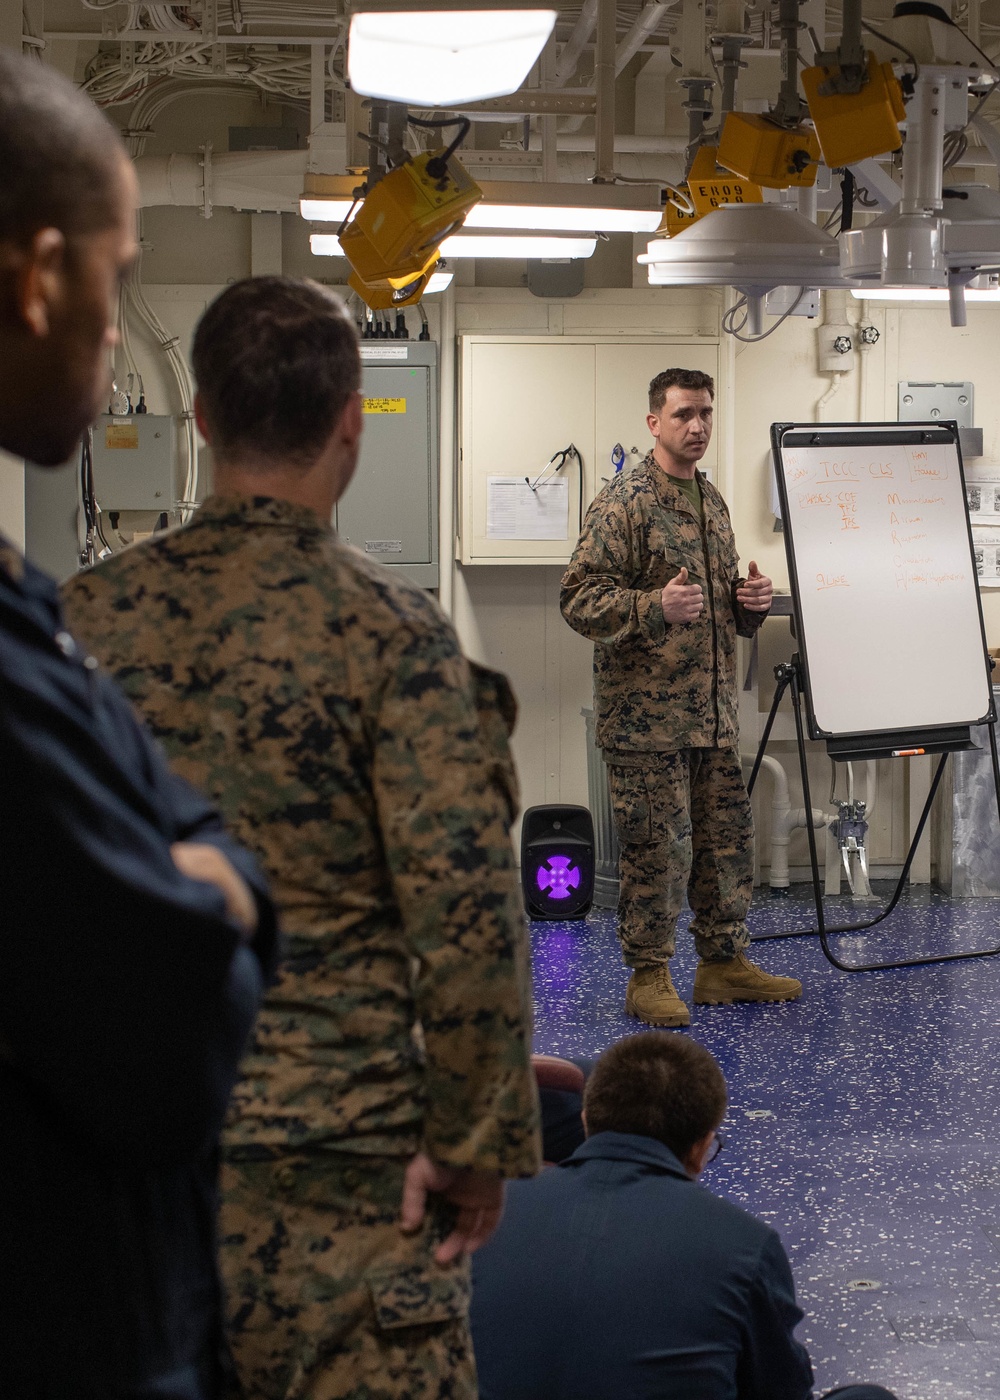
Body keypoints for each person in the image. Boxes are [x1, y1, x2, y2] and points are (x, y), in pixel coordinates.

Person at [61, 275, 542, 1400]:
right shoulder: (394, 639)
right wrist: (476, 1141)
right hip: (346, 1180)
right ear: (349, 428)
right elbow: (465, 917)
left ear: (203, 422)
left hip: (127, 1176)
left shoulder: (80, 627)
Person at [0, 50, 279, 1400]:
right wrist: (214, 889)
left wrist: (196, 885)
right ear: (36, 277)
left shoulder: (39, 607)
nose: (115, 333)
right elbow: (170, 1037)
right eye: (112, 277)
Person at [560, 367, 801, 1027]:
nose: (696, 427)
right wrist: (653, 606)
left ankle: (723, 965)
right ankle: (649, 974)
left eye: (705, 415)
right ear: (654, 423)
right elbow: (578, 597)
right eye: (683, 415)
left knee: (728, 841)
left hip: (713, 715)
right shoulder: (625, 501)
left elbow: (717, 603)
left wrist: (748, 605)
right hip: (646, 721)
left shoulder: (712, 502)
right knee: (654, 849)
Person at [470, 1033, 899, 1400]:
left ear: (585, 1118)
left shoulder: (482, 1217)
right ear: (701, 1145)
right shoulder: (744, 1245)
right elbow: (780, 1390)